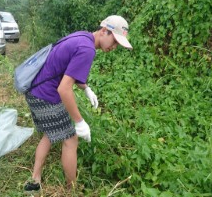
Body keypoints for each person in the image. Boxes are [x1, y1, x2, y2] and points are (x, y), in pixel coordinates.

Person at [23, 15, 133, 193]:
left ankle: (35, 180)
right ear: (105, 31)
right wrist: (79, 121)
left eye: (118, 45)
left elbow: (68, 69)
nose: (114, 47)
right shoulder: (87, 49)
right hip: (45, 94)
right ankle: (71, 190)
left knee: (51, 133)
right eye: (114, 41)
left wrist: (86, 88)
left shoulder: (83, 37)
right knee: (71, 139)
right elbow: (64, 89)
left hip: (36, 90)